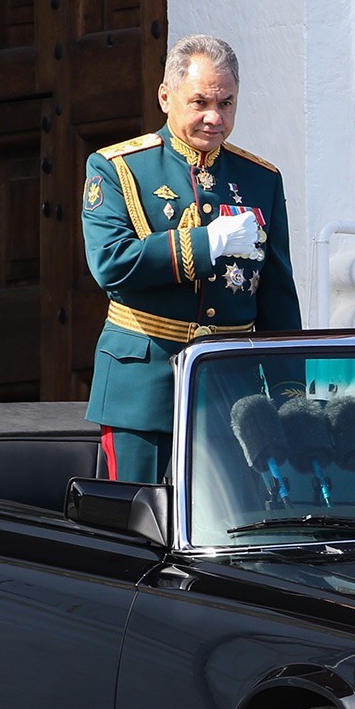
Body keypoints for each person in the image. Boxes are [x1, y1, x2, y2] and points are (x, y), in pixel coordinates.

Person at [81, 34, 301, 482]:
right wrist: (207, 244)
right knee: (135, 526)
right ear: (166, 96)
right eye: (200, 102)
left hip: (231, 395)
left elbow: (277, 295)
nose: (214, 117)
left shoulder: (260, 179)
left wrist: (287, 394)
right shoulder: (118, 167)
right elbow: (111, 264)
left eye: (226, 103)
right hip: (143, 388)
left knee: (227, 534)